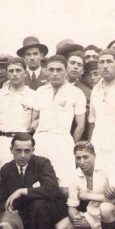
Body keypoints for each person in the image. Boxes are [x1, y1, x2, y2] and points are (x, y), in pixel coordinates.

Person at [0, 133, 67, 229]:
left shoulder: (42, 163)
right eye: (18, 151)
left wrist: (22, 191)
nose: (23, 155)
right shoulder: (6, 169)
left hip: (49, 210)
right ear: (11, 150)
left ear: (33, 150)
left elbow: (52, 190)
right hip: (23, 213)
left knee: (38, 204)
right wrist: (8, 209)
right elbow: (2, 199)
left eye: (27, 151)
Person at [33, 54, 86, 196]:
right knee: (38, 184)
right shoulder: (40, 91)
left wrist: (70, 145)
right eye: (51, 70)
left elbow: (80, 125)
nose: (55, 74)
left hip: (63, 141)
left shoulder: (76, 92)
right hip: (41, 140)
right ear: (46, 71)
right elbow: (34, 120)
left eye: (59, 70)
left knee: (64, 187)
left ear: (66, 70)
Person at [55, 141, 115, 229]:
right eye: (78, 158)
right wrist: (75, 217)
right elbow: (72, 206)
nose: (82, 162)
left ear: (94, 156)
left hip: (113, 213)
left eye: (85, 157)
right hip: (93, 215)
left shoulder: (107, 170)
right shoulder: (74, 176)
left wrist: (88, 196)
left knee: (106, 208)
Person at [0, 57, 40, 165]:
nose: (14, 74)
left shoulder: (33, 95)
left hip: (21, 144)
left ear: (25, 73)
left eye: (18, 70)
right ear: (7, 74)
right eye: (11, 71)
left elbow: (34, 124)